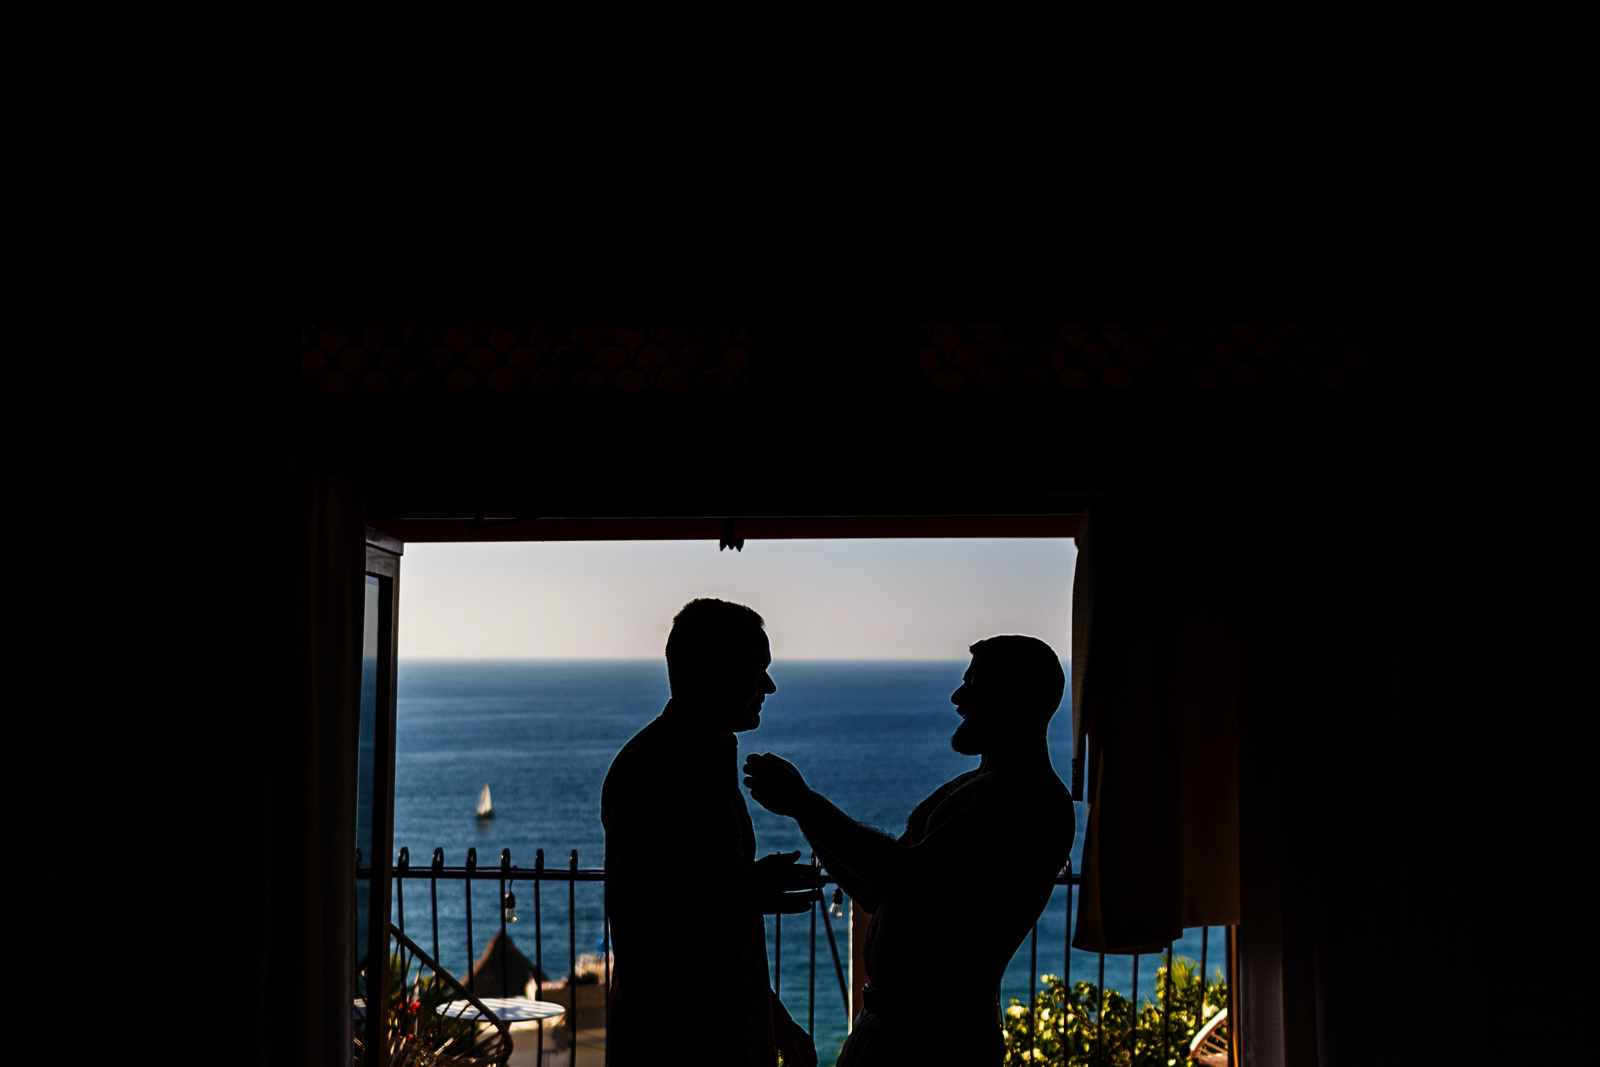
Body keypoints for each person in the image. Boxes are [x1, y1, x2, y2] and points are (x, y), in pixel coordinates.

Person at [743, 635, 1076, 1067]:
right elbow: (875, 891)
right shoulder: (978, 789)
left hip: (935, 1040)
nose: (959, 698)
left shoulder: (1023, 798)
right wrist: (800, 811)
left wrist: (805, 802)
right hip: (895, 1027)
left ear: (1021, 698)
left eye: (974, 685)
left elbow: (908, 879)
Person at [602, 598, 821, 1067]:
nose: (769, 686)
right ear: (714, 673)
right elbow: (645, 921)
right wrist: (743, 891)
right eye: (756, 670)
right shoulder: (653, 771)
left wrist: (775, 1022)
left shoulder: (705, 756)